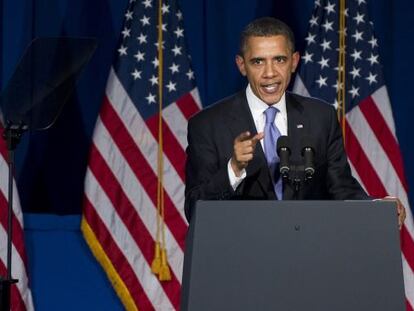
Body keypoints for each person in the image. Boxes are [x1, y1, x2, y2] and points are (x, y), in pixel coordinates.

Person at [184, 17, 405, 226]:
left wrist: (377, 208)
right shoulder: (207, 125)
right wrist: (233, 168)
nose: (270, 73)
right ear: (242, 65)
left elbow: (342, 190)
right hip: (242, 255)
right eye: (258, 61)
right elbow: (195, 209)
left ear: (294, 61)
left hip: (307, 254)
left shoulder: (321, 117)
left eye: (279, 59)